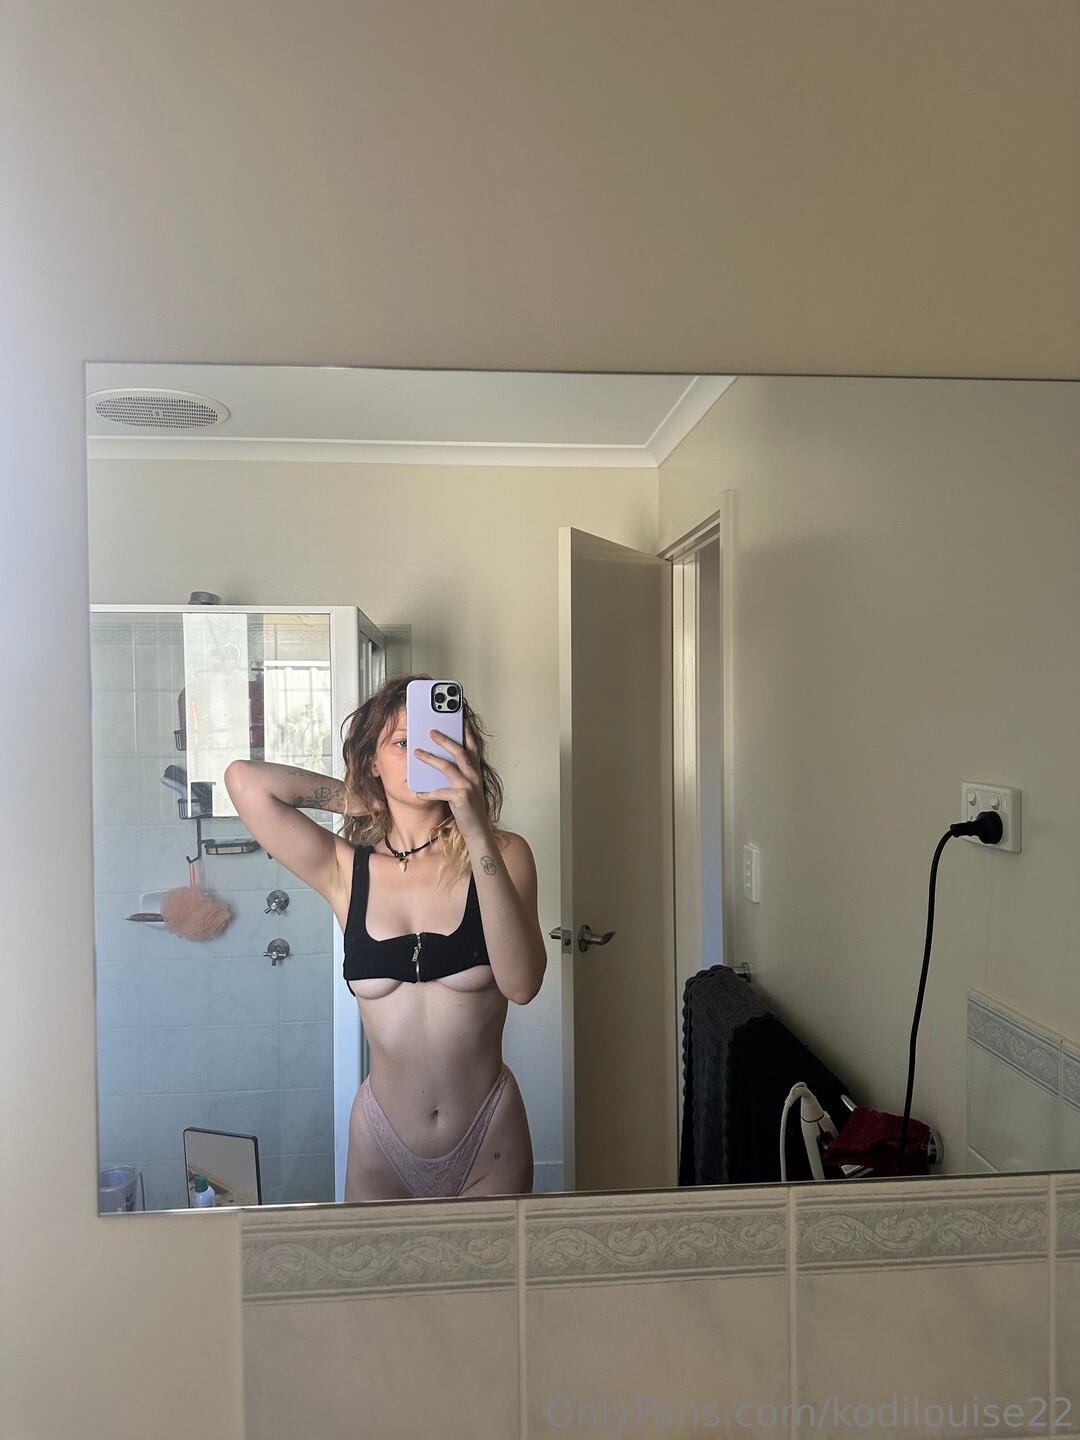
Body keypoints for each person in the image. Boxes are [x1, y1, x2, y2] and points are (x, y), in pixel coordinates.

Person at [224, 674, 546, 1200]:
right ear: (372, 761)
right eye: (402, 742)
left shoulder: (504, 854)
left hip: (489, 1139)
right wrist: (358, 800)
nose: (424, 753)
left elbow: (522, 984)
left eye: (439, 738)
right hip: (381, 1147)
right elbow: (244, 780)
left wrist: (473, 825)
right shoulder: (344, 869)